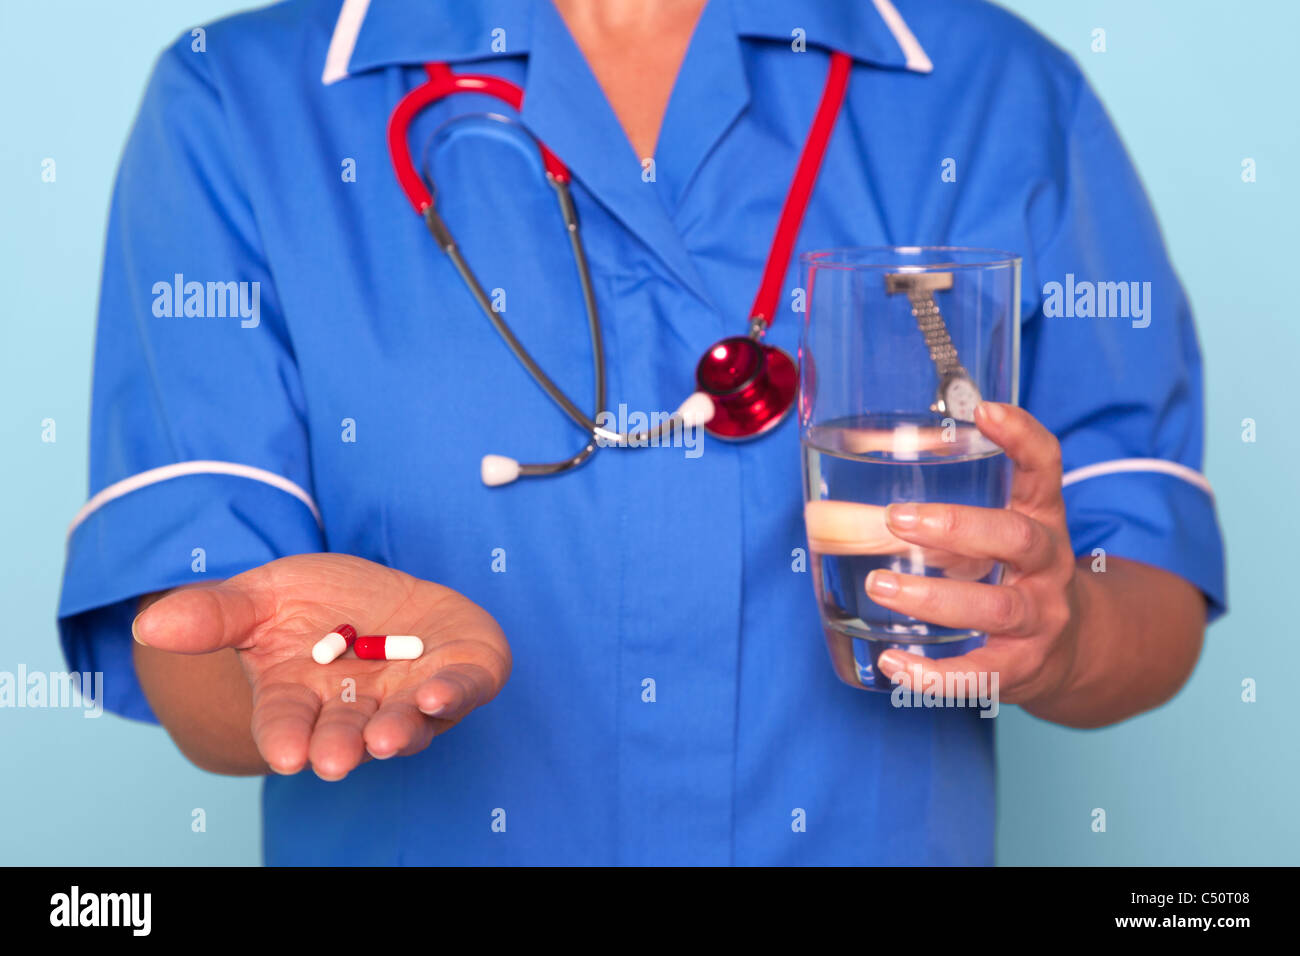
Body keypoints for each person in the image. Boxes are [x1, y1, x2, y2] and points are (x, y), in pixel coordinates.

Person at [58, 0, 1226, 865]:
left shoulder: (1000, 92)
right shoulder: (238, 100)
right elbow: (193, 625)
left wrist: (1059, 630)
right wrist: (280, 663)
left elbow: (1149, 583)